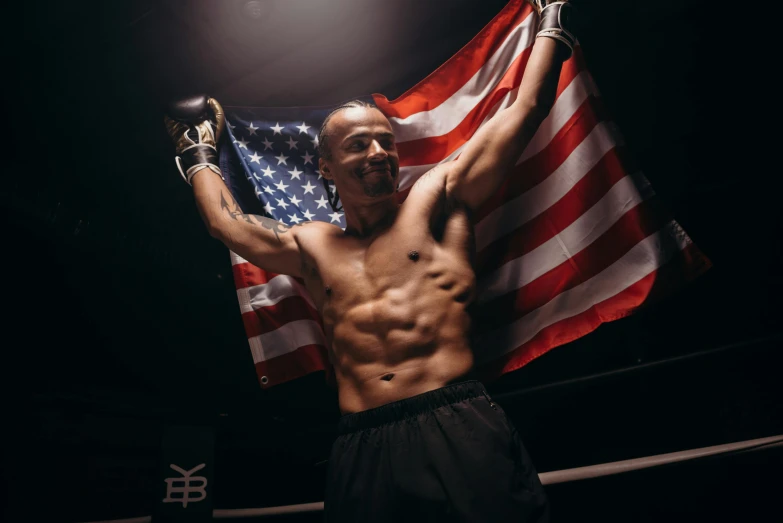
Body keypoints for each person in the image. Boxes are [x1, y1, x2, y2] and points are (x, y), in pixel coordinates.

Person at [164, 1, 575, 520]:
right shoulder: (311, 247)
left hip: (458, 423)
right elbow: (228, 224)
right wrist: (199, 151)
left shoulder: (437, 201)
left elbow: (526, 108)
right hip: (362, 442)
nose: (379, 152)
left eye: (385, 141)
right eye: (359, 145)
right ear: (326, 169)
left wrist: (549, 20)